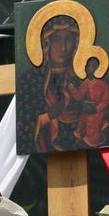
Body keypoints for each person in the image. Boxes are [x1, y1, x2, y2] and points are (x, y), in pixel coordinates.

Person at [16, 15, 83, 154]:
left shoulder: (83, 77)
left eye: (69, 39)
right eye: (57, 39)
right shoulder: (31, 79)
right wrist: (48, 116)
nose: (63, 48)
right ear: (47, 42)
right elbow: (24, 127)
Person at [68, 57, 109, 147]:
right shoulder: (86, 82)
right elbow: (79, 97)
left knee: (93, 120)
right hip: (87, 109)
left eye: (91, 66)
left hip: (99, 111)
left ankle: (94, 141)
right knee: (83, 118)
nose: (88, 68)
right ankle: (81, 140)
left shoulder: (102, 83)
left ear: (97, 68)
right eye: (87, 66)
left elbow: (106, 100)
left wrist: (96, 108)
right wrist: (71, 85)